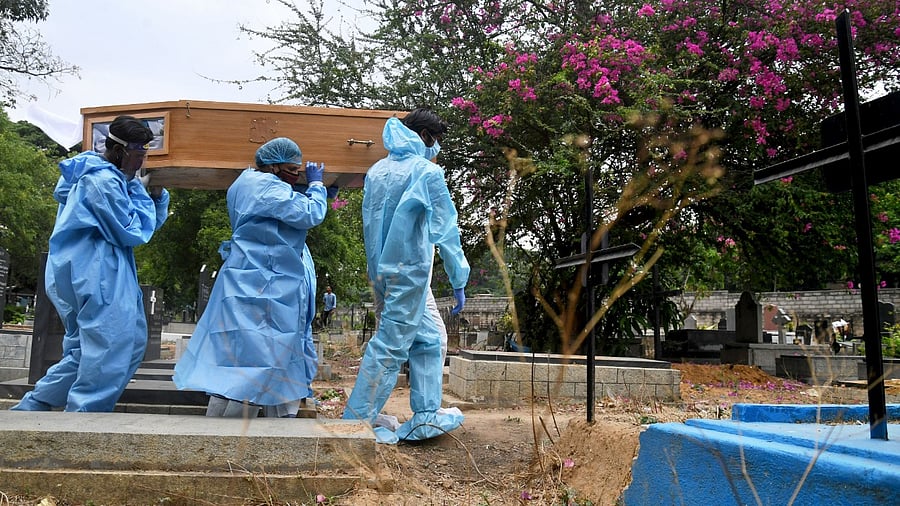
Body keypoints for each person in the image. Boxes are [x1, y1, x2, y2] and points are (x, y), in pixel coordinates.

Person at [12, 115, 169, 412]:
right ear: (119, 149)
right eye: (138, 152)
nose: (142, 159)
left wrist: (154, 197)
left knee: (88, 349)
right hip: (96, 273)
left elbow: (141, 226)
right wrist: (141, 191)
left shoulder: (96, 174)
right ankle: (83, 418)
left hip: (85, 269)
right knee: (113, 347)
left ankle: (34, 407)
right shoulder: (103, 181)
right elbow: (132, 230)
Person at [173, 137, 328, 418]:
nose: (296, 175)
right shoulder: (268, 188)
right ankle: (238, 435)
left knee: (237, 359)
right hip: (266, 283)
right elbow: (309, 214)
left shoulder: (243, 184)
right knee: (263, 361)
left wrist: (300, 190)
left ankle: (216, 427)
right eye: (293, 169)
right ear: (273, 166)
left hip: (241, 278)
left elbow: (275, 213)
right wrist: (317, 188)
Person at [343, 107, 469, 444]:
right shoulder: (426, 173)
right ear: (425, 137)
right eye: (436, 141)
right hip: (409, 273)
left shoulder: (377, 171)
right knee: (389, 347)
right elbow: (446, 230)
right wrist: (459, 278)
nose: (437, 149)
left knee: (432, 338)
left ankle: (426, 415)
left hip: (384, 274)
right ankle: (355, 424)